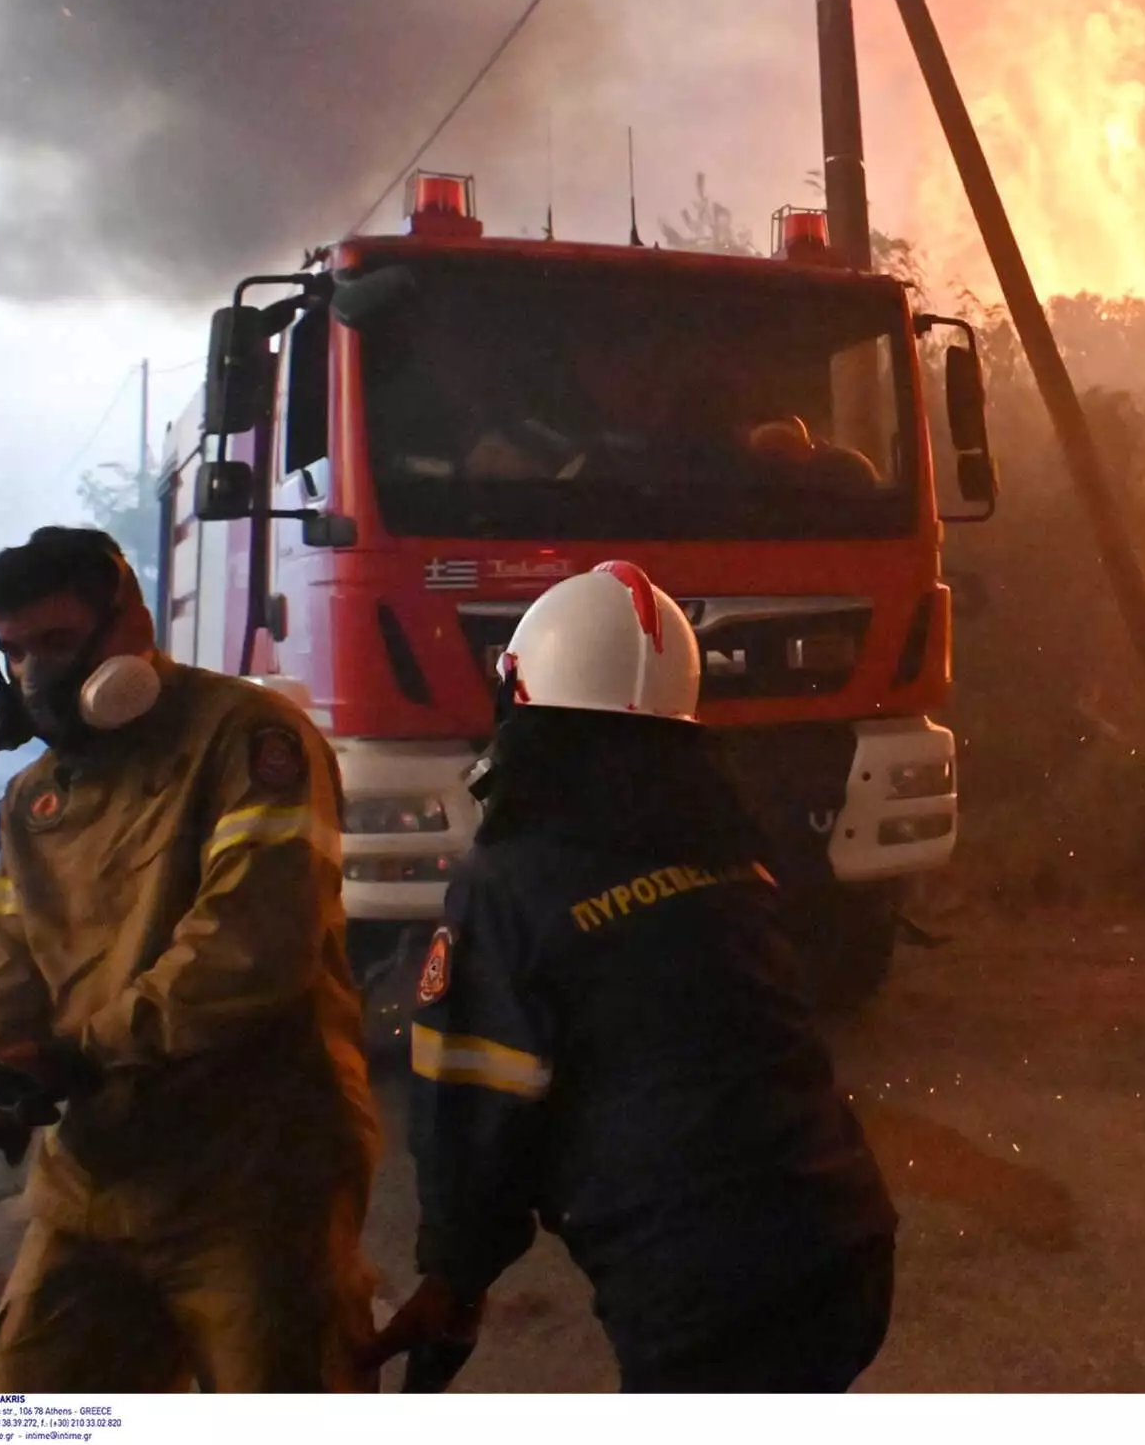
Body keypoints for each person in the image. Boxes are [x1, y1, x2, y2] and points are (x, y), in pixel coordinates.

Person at [0, 527, 381, 1392]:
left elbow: (251, 950)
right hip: (92, 1186)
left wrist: (71, 1058)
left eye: (58, 643)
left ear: (130, 626)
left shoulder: (249, 738)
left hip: (256, 1186)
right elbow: (11, 976)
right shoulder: (33, 794)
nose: (35, 677)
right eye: (16, 652)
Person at [365, 560, 896, 1394]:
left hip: (704, 1293)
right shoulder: (731, 862)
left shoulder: (512, 884)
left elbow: (472, 1110)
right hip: (851, 1250)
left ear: (523, 705)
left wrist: (453, 1276)